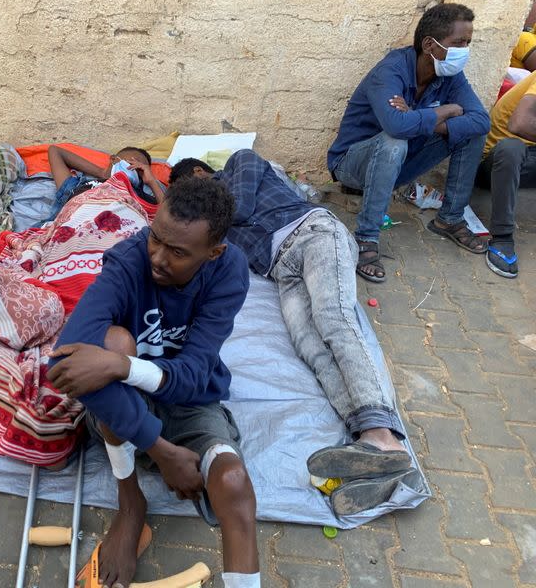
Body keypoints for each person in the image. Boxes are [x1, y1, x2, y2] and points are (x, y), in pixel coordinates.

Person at [170, 151, 416, 516]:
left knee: (334, 320)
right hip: (282, 267)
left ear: (198, 173)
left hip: (313, 233)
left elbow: (238, 208)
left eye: (188, 193)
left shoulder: (240, 162)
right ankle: (369, 443)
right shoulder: (213, 230)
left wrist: (194, 216)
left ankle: (386, 436)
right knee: (309, 346)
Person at [47, 177, 259, 588]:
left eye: (178, 252)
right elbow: (65, 360)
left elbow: (195, 374)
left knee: (233, 482)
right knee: (112, 343)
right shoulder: (129, 260)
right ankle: (130, 504)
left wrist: (121, 368)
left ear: (213, 253)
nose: (158, 257)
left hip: (192, 398)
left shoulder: (229, 269)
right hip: (125, 406)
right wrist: (160, 451)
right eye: (155, 238)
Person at [328, 3, 491, 282]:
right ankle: (367, 238)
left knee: (471, 133)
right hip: (352, 164)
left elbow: (480, 120)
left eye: (468, 43)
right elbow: (395, 126)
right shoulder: (391, 71)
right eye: (458, 43)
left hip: (400, 165)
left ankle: (449, 219)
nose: (464, 50)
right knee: (395, 140)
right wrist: (447, 110)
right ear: (430, 44)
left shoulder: (451, 76)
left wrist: (419, 118)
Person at [476, 70, 536, 278]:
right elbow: (518, 124)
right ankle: (502, 237)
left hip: (528, 157)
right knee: (512, 148)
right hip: (494, 162)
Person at [46, 144, 165, 219]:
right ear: (114, 159)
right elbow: (55, 151)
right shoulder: (79, 187)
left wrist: (152, 181)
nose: (134, 169)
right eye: (131, 163)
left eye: (139, 169)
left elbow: (169, 215)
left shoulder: (144, 199)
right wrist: (102, 173)